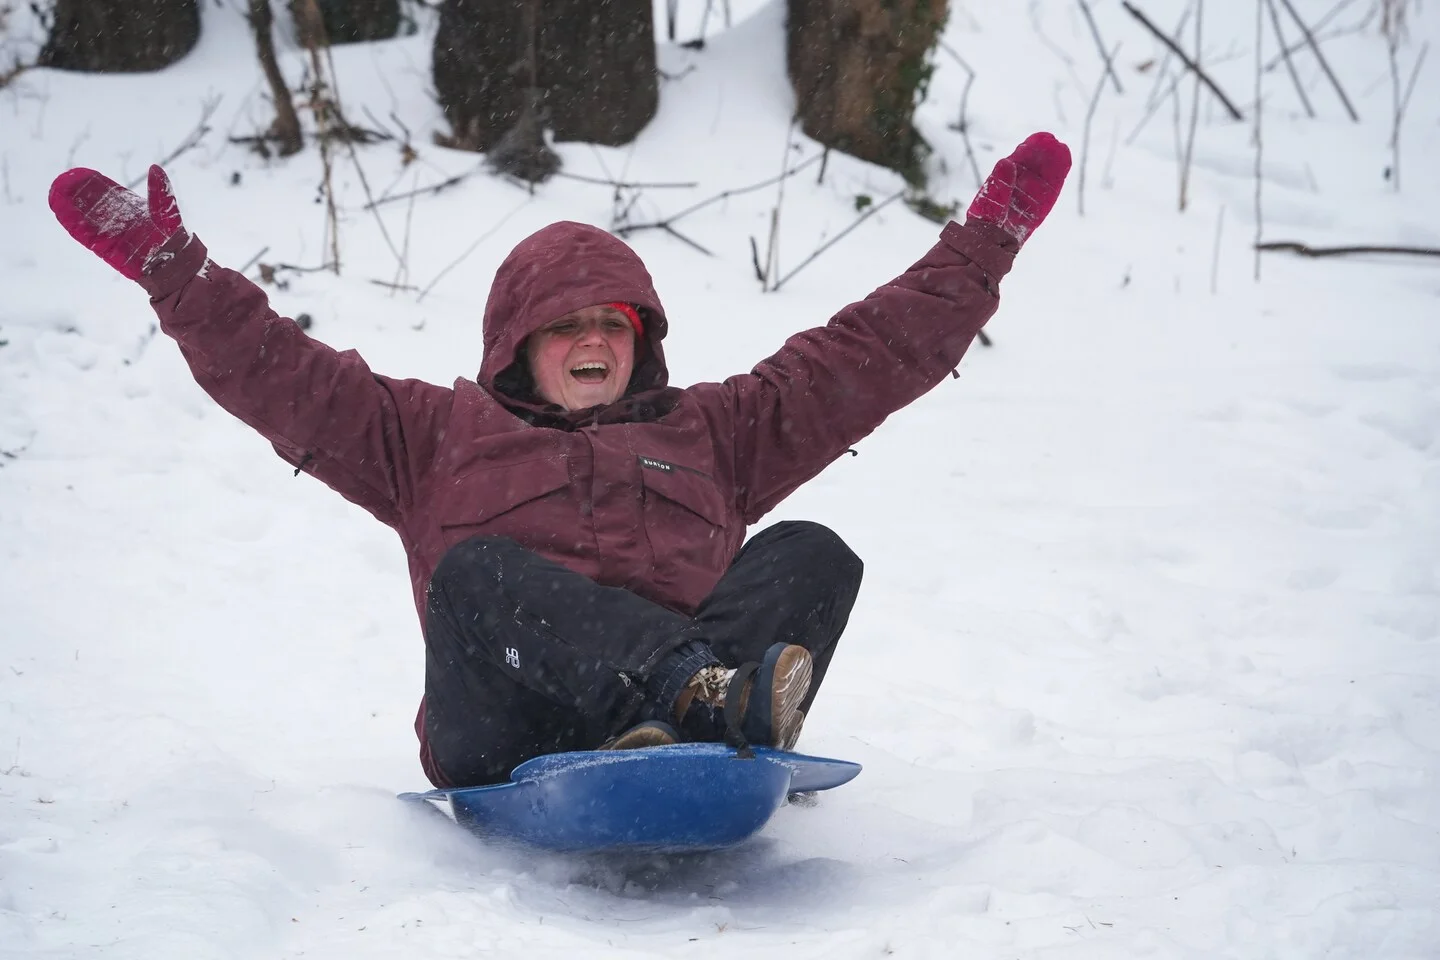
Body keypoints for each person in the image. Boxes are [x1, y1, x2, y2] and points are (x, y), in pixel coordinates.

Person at [48, 131, 1071, 788]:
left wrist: (983, 246)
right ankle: (693, 697)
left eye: (613, 323)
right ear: (517, 346)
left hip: (691, 726)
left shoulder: (716, 432)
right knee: (479, 573)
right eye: (564, 325)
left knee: (813, 550)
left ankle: (692, 724)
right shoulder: (428, 435)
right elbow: (282, 377)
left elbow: (866, 357)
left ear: (643, 337)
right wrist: (178, 278)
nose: (593, 343)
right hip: (507, 731)